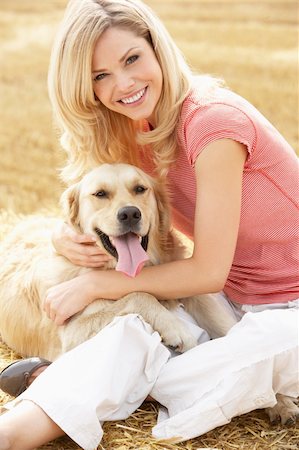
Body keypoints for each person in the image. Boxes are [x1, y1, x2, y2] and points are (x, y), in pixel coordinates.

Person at [0, 0, 298, 449]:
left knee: (231, 348)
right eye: (100, 75)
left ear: (157, 48)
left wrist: (95, 286)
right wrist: (62, 235)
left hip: (286, 304)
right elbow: (94, 204)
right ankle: (19, 429)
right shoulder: (138, 131)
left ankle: (71, 380)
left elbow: (206, 272)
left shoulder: (213, 123)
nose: (123, 84)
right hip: (231, 299)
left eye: (131, 59)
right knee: (132, 327)